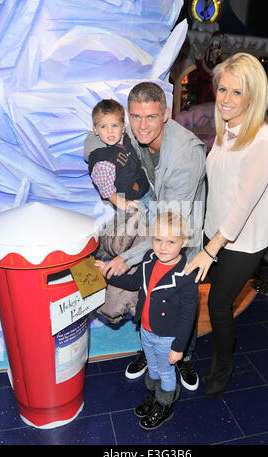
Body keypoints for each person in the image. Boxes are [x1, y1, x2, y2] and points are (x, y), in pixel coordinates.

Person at [84, 82, 206, 390]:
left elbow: (171, 228)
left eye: (150, 117)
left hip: (180, 230)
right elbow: (91, 140)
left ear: (166, 114)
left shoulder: (185, 156)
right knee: (148, 294)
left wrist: (125, 259)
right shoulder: (129, 134)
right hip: (153, 214)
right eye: (135, 117)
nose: (142, 125)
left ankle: (184, 356)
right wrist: (101, 159)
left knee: (177, 299)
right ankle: (149, 348)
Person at [184, 53, 268, 399]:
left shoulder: (264, 138)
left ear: (253, 96)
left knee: (219, 305)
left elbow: (244, 204)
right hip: (218, 233)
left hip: (242, 241)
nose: (225, 99)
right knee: (210, 301)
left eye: (237, 93)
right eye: (222, 89)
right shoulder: (227, 128)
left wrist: (210, 249)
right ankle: (205, 357)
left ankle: (224, 366)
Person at [100, 211, 198, 430]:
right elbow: (133, 281)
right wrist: (107, 273)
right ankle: (155, 397)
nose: (162, 247)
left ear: (185, 242)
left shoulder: (186, 276)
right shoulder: (148, 260)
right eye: (158, 240)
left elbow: (187, 317)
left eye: (171, 241)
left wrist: (179, 348)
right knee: (152, 368)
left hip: (167, 337)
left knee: (165, 371)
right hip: (146, 330)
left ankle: (165, 405)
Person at [88, 99, 150, 211]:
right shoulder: (102, 160)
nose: (110, 131)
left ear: (123, 128)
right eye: (103, 126)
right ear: (95, 129)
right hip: (128, 201)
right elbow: (106, 189)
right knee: (143, 224)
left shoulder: (125, 139)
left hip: (144, 189)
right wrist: (122, 204)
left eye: (114, 126)